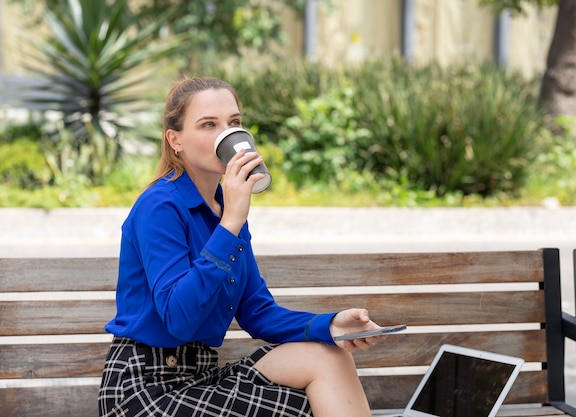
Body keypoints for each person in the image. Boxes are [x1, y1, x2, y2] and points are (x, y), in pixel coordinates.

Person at [98, 77, 386, 417]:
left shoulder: (225, 209)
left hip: (200, 378)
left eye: (234, 123)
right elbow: (178, 319)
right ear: (175, 140)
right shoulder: (160, 206)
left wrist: (332, 326)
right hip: (145, 389)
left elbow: (258, 313)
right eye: (208, 124)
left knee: (331, 357)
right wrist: (231, 223)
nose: (226, 134)